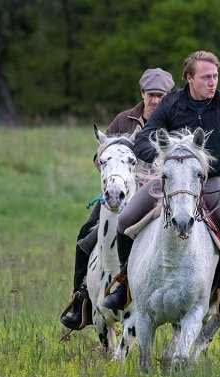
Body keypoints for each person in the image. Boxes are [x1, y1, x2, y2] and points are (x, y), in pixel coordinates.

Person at [102, 50, 220, 321]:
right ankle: (124, 283)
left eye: (215, 76)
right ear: (189, 78)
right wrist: (163, 159)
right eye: (206, 77)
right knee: (124, 220)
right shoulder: (171, 104)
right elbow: (143, 140)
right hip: (169, 181)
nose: (213, 82)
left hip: (211, 182)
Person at [60, 68, 175, 330]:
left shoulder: (175, 122)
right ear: (142, 94)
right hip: (121, 194)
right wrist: (118, 177)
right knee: (85, 236)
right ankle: (81, 299)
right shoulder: (123, 120)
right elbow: (99, 157)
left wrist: (152, 178)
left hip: (161, 193)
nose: (155, 100)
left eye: (161, 95)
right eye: (150, 95)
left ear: (169, 96)